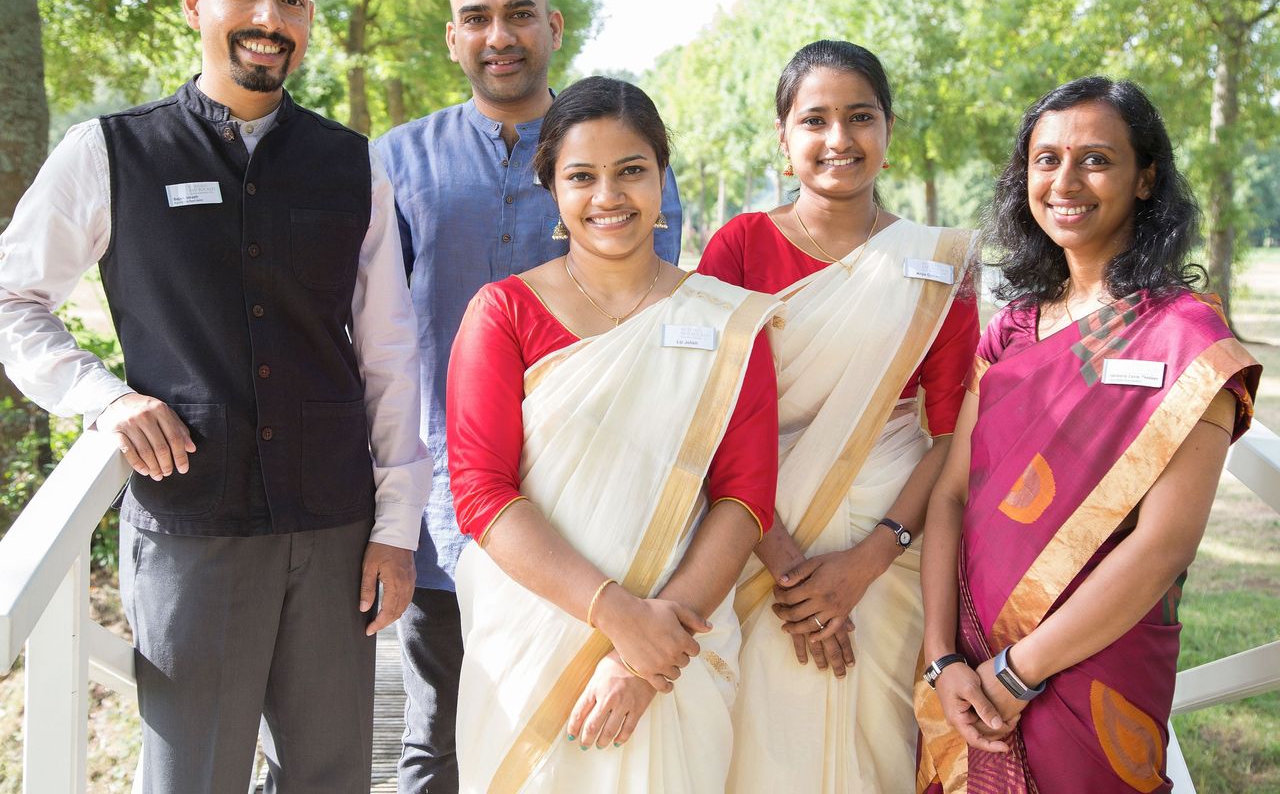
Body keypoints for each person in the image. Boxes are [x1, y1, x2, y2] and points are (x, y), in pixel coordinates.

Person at [0, 0, 429, 793]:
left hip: (335, 528)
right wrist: (101, 397)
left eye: (293, 0)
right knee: (191, 776)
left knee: (332, 776)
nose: (269, 17)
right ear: (197, 1)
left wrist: (395, 532)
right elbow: (14, 300)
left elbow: (388, 355)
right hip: (191, 530)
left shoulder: (355, 167)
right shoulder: (111, 152)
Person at [374, 0, 682, 792]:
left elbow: (659, 332)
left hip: (601, 517)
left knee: (581, 736)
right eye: (477, 17)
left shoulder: (616, 158)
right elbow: (369, 338)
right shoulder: (398, 163)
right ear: (452, 37)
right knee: (438, 739)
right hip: (449, 511)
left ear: (552, 25)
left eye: (518, 14)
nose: (499, 35)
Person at [915, 77, 1260, 793]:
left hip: (1093, 662)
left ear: (1146, 178)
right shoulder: (1010, 329)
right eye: (1046, 160)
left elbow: (1165, 544)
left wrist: (1021, 671)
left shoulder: (1187, 338)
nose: (1065, 181)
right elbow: (949, 495)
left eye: (1096, 159)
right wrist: (941, 656)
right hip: (969, 660)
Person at [446, 76, 779, 793]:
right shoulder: (502, 313)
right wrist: (617, 617)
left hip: (675, 649)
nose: (609, 196)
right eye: (582, 176)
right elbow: (479, 492)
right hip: (534, 641)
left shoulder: (728, 320)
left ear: (662, 177)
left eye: (631, 171)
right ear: (552, 188)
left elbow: (745, 498)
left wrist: (644, 655)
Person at [696, 39, 979, 792]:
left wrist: (868, 560)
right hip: (754, 544)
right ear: (784, 143)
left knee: (878, 750)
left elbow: (954, 438)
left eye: (860, 117)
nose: (838, 139)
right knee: (756, 752)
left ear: (888, 131)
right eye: (814, 120)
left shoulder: (940, 264)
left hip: (890, 552)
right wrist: (790, 572)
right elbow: (706, 415)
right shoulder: (742, 246)